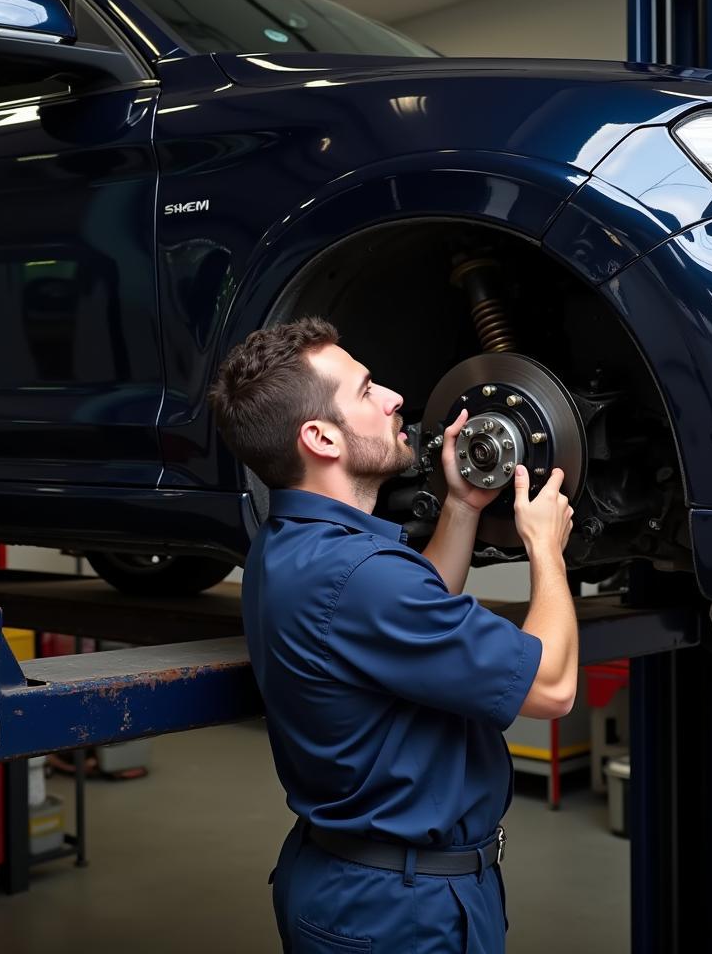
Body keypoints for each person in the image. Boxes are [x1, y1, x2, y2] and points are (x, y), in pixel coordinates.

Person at [208, 317, 578, 954]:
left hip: (353, 881)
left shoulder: (291, 546)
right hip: (401, 912)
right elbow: (552, 686)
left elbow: (409, 613)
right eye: (366, 389)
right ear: (321, 437)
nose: (393, 399)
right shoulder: (358, 575)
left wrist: (460, 508)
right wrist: (547, 549)